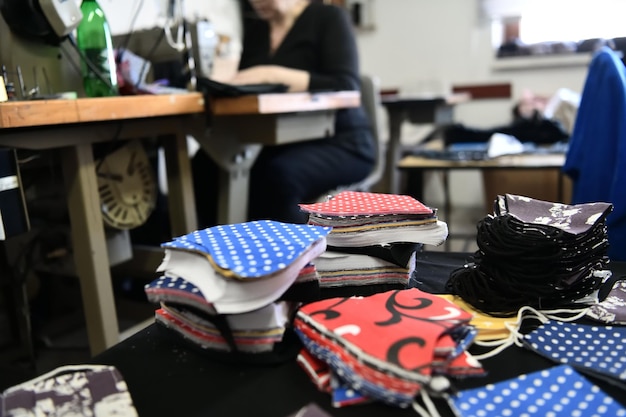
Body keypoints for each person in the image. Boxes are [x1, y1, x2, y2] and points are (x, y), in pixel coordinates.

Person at [191, 0, 376, 226]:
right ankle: (209, 251)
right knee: (206, 165)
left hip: (342, 142)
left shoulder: (329, 18)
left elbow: (346, 84)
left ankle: (293, 256)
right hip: (280, 142)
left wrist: (271, 74)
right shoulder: (257, 31)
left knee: (277, 177)